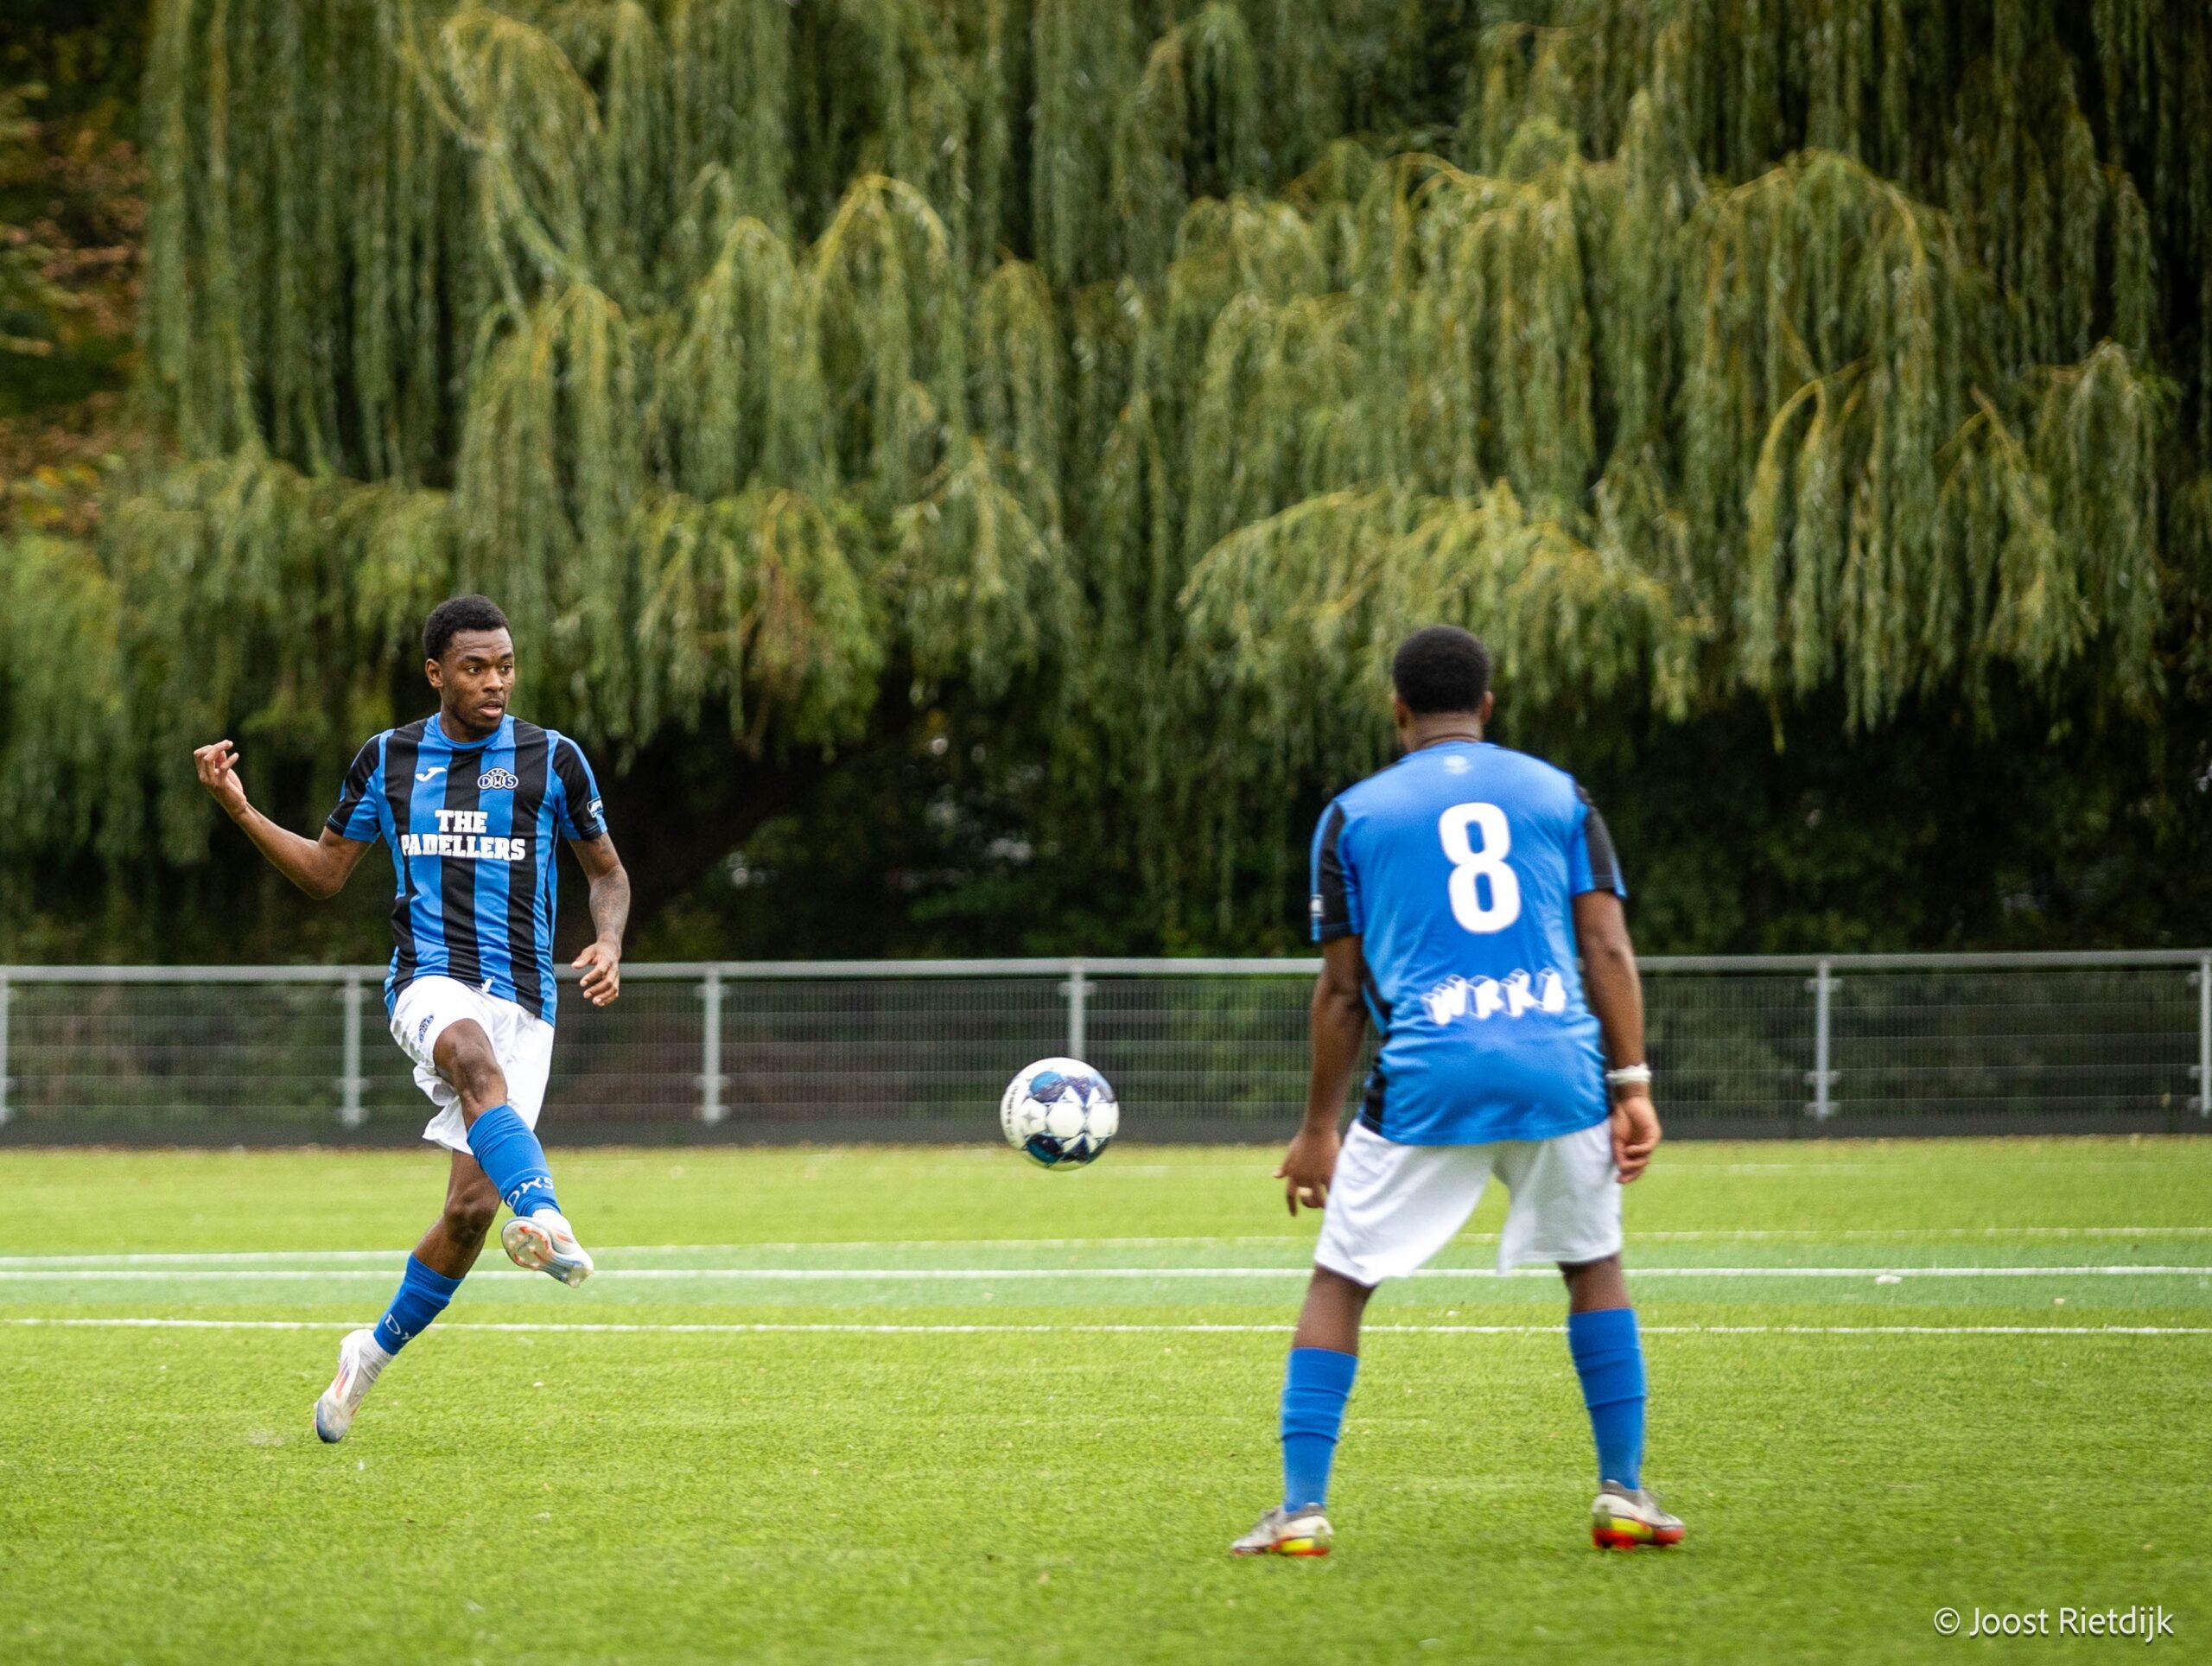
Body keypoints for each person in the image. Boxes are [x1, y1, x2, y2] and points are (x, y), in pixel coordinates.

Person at [1230, 624, 1681, 1556]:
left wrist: (1319, 1127)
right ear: (1487, 704)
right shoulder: (1559, 794)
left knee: (1341, 1277)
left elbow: (1343, 991)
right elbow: (1605, 946)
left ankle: (1302, 1509)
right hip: (1558, 1066)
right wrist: (1630, 1082)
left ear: (1397, 711)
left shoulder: (1352, 814)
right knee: (1592, 1264)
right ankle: (1623, 1492)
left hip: (1430, 1073)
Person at [192, 595, 631, 1442]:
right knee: (470, 1058)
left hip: (529, 1001)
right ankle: (546, 1214)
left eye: (505, 664)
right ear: (437, 673)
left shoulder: (555, 759)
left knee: (468, 1212)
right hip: (427, 983)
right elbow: (325, 873)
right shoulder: (388, 759)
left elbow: (606, 871)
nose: (495, 680)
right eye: (475, 667)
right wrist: (241, 808)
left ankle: (370, 1352)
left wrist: (608, 939)